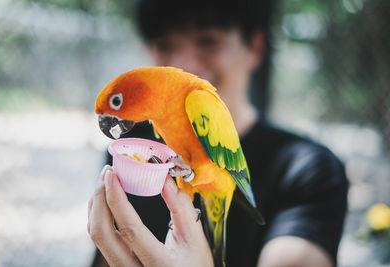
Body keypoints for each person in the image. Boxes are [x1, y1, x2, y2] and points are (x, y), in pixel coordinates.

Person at [88, 0, 349, 266]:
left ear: (255, 48)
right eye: (165, 45)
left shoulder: (309, 169)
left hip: (220, 187)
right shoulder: (135, 150)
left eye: (208, 41)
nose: (184, 62)